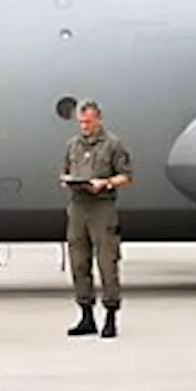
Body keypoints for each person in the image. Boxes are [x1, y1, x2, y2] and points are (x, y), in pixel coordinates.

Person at [59, 99, 132, 339]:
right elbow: (65, 171)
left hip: (102, 207)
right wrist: (67, 181)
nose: (84, 127)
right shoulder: (72, 145)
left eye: (88, 122)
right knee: (79, 261)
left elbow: (126, 176)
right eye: (81, 123)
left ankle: (110, 316)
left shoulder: (112, 144)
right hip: (78, 207)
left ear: (98, 119)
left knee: (107, 262)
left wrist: (106, 182)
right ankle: (86, 315)